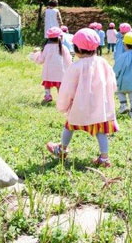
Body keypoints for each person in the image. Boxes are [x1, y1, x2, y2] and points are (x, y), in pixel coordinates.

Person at [46, 28, 118, 168]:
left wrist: (63, 105)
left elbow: (67, 89)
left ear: (77, 48)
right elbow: (112, 82)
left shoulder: (76, 67)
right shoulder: (102, 62)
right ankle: (104, 159)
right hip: (99, 107)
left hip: (79, 106)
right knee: (101, 130)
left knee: (69, 126)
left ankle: (62, 149)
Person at [31, 26, 72, 103]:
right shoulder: (63, 47)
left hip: (49, 70)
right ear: (60, 37)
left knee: (47, 84)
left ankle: (47, 96)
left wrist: (36, 55)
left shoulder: (47, 47)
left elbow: (42, 58)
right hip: (60, 71)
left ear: (49, 38)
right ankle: (60, 97)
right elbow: (68, 59)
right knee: (59, 84)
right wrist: (69, 67)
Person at [114, 31, 132, 120]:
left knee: (119, 91)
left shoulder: (123, 56)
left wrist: (113, 75)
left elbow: (117, 68)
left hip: (124, 82)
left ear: (125, 44)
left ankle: (123, 104)